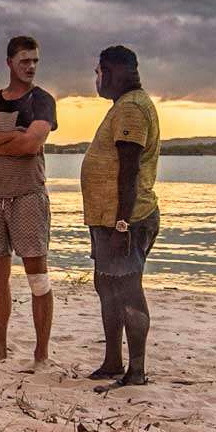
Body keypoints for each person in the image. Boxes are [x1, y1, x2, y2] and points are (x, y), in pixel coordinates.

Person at [0, 35, 57, 365]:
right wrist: (10, 136)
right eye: (24, 61)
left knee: (37, 276)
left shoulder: (42, 101)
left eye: (34, 61)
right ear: (9, 63)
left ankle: (41, 352)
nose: (30, 66)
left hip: (29, 196)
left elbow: (31, 146)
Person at [80, 44, 161, 389]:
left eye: (99, 73)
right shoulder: (123, 107)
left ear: (112, 72)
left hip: (125, 220)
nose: (97, 80)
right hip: (107, 219)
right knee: (107, 286)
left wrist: (122, 224)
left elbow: (129, 170)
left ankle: (136, 371)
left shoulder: (131, 109)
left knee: (127, 290)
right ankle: (113, 361)